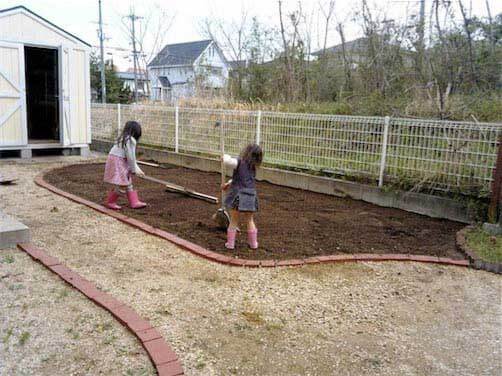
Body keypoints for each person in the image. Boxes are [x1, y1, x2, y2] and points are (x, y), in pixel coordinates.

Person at [222, 143, 263, 249]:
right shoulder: (253, 168)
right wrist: (229, 183)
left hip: (238, 195)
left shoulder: (239, 162)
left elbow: (228, 161)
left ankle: (230, 244)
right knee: (250, 220)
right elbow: (243, 179)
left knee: (234, 220)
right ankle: (253, 244)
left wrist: (224, 156)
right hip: (250, 195)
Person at [103, 120, 147, 210]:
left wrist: (137, 169)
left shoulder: (123, 138)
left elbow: (131, 158)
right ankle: (110, 202)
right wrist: (134, 169)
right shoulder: (131, 140)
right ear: (136, 132)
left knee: (126, 181)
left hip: (115, 159)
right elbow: (131, 157)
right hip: (119, 161)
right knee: (121, 182)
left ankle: (134, 202)